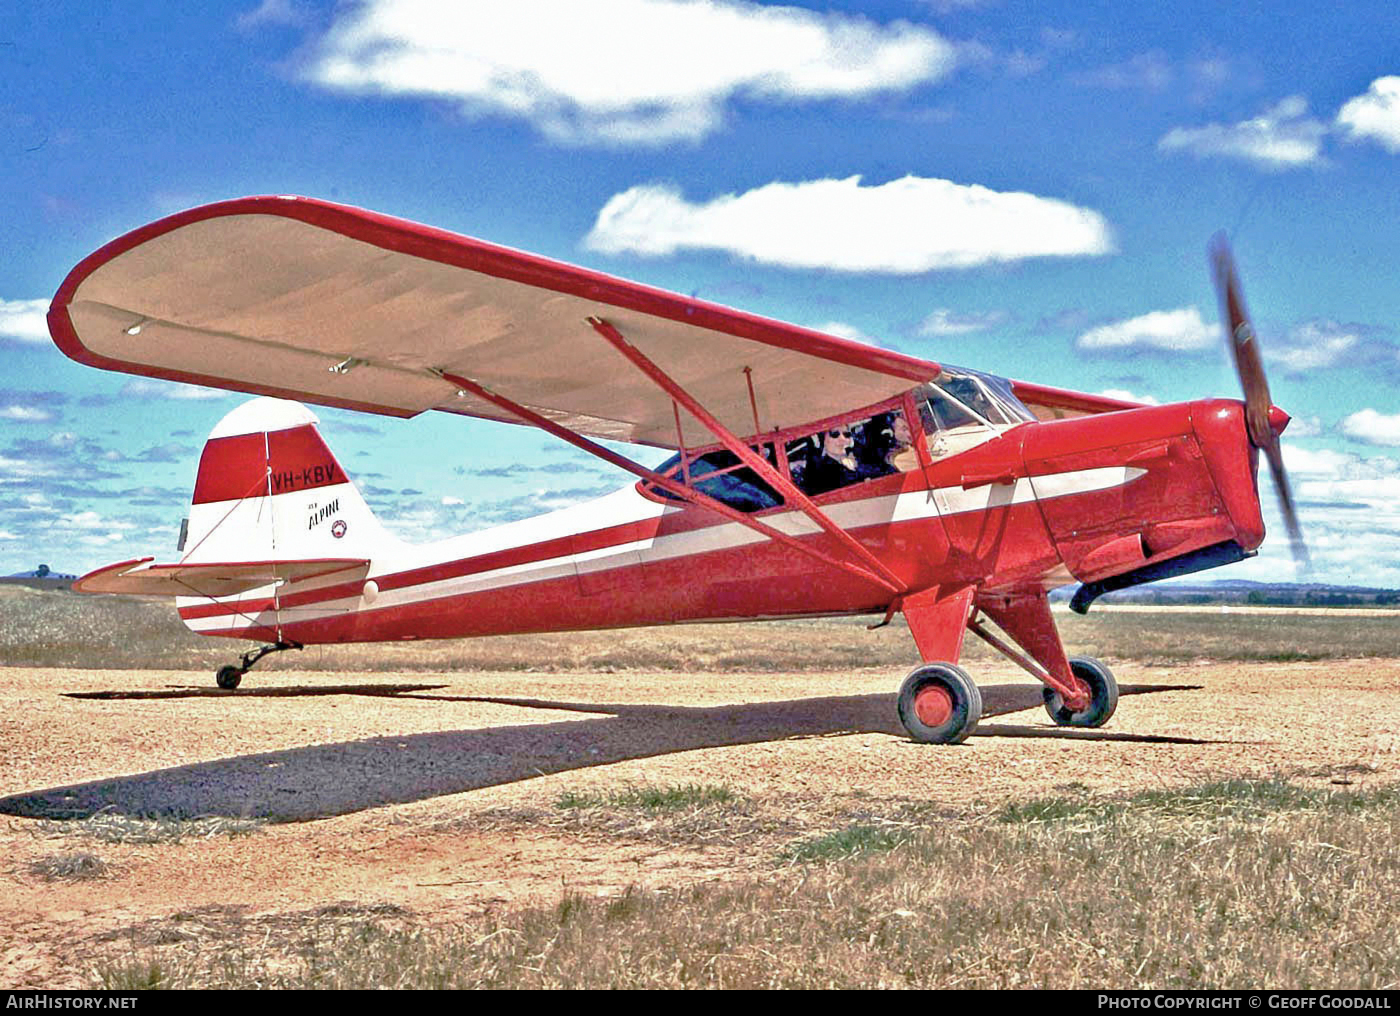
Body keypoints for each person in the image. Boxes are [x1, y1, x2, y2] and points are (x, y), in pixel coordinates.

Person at [801, 426, 862, 495]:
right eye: (834, 434)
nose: (842, 439)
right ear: (824, 440)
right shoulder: (820, 473)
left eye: (846, 434)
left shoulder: (856, 461)